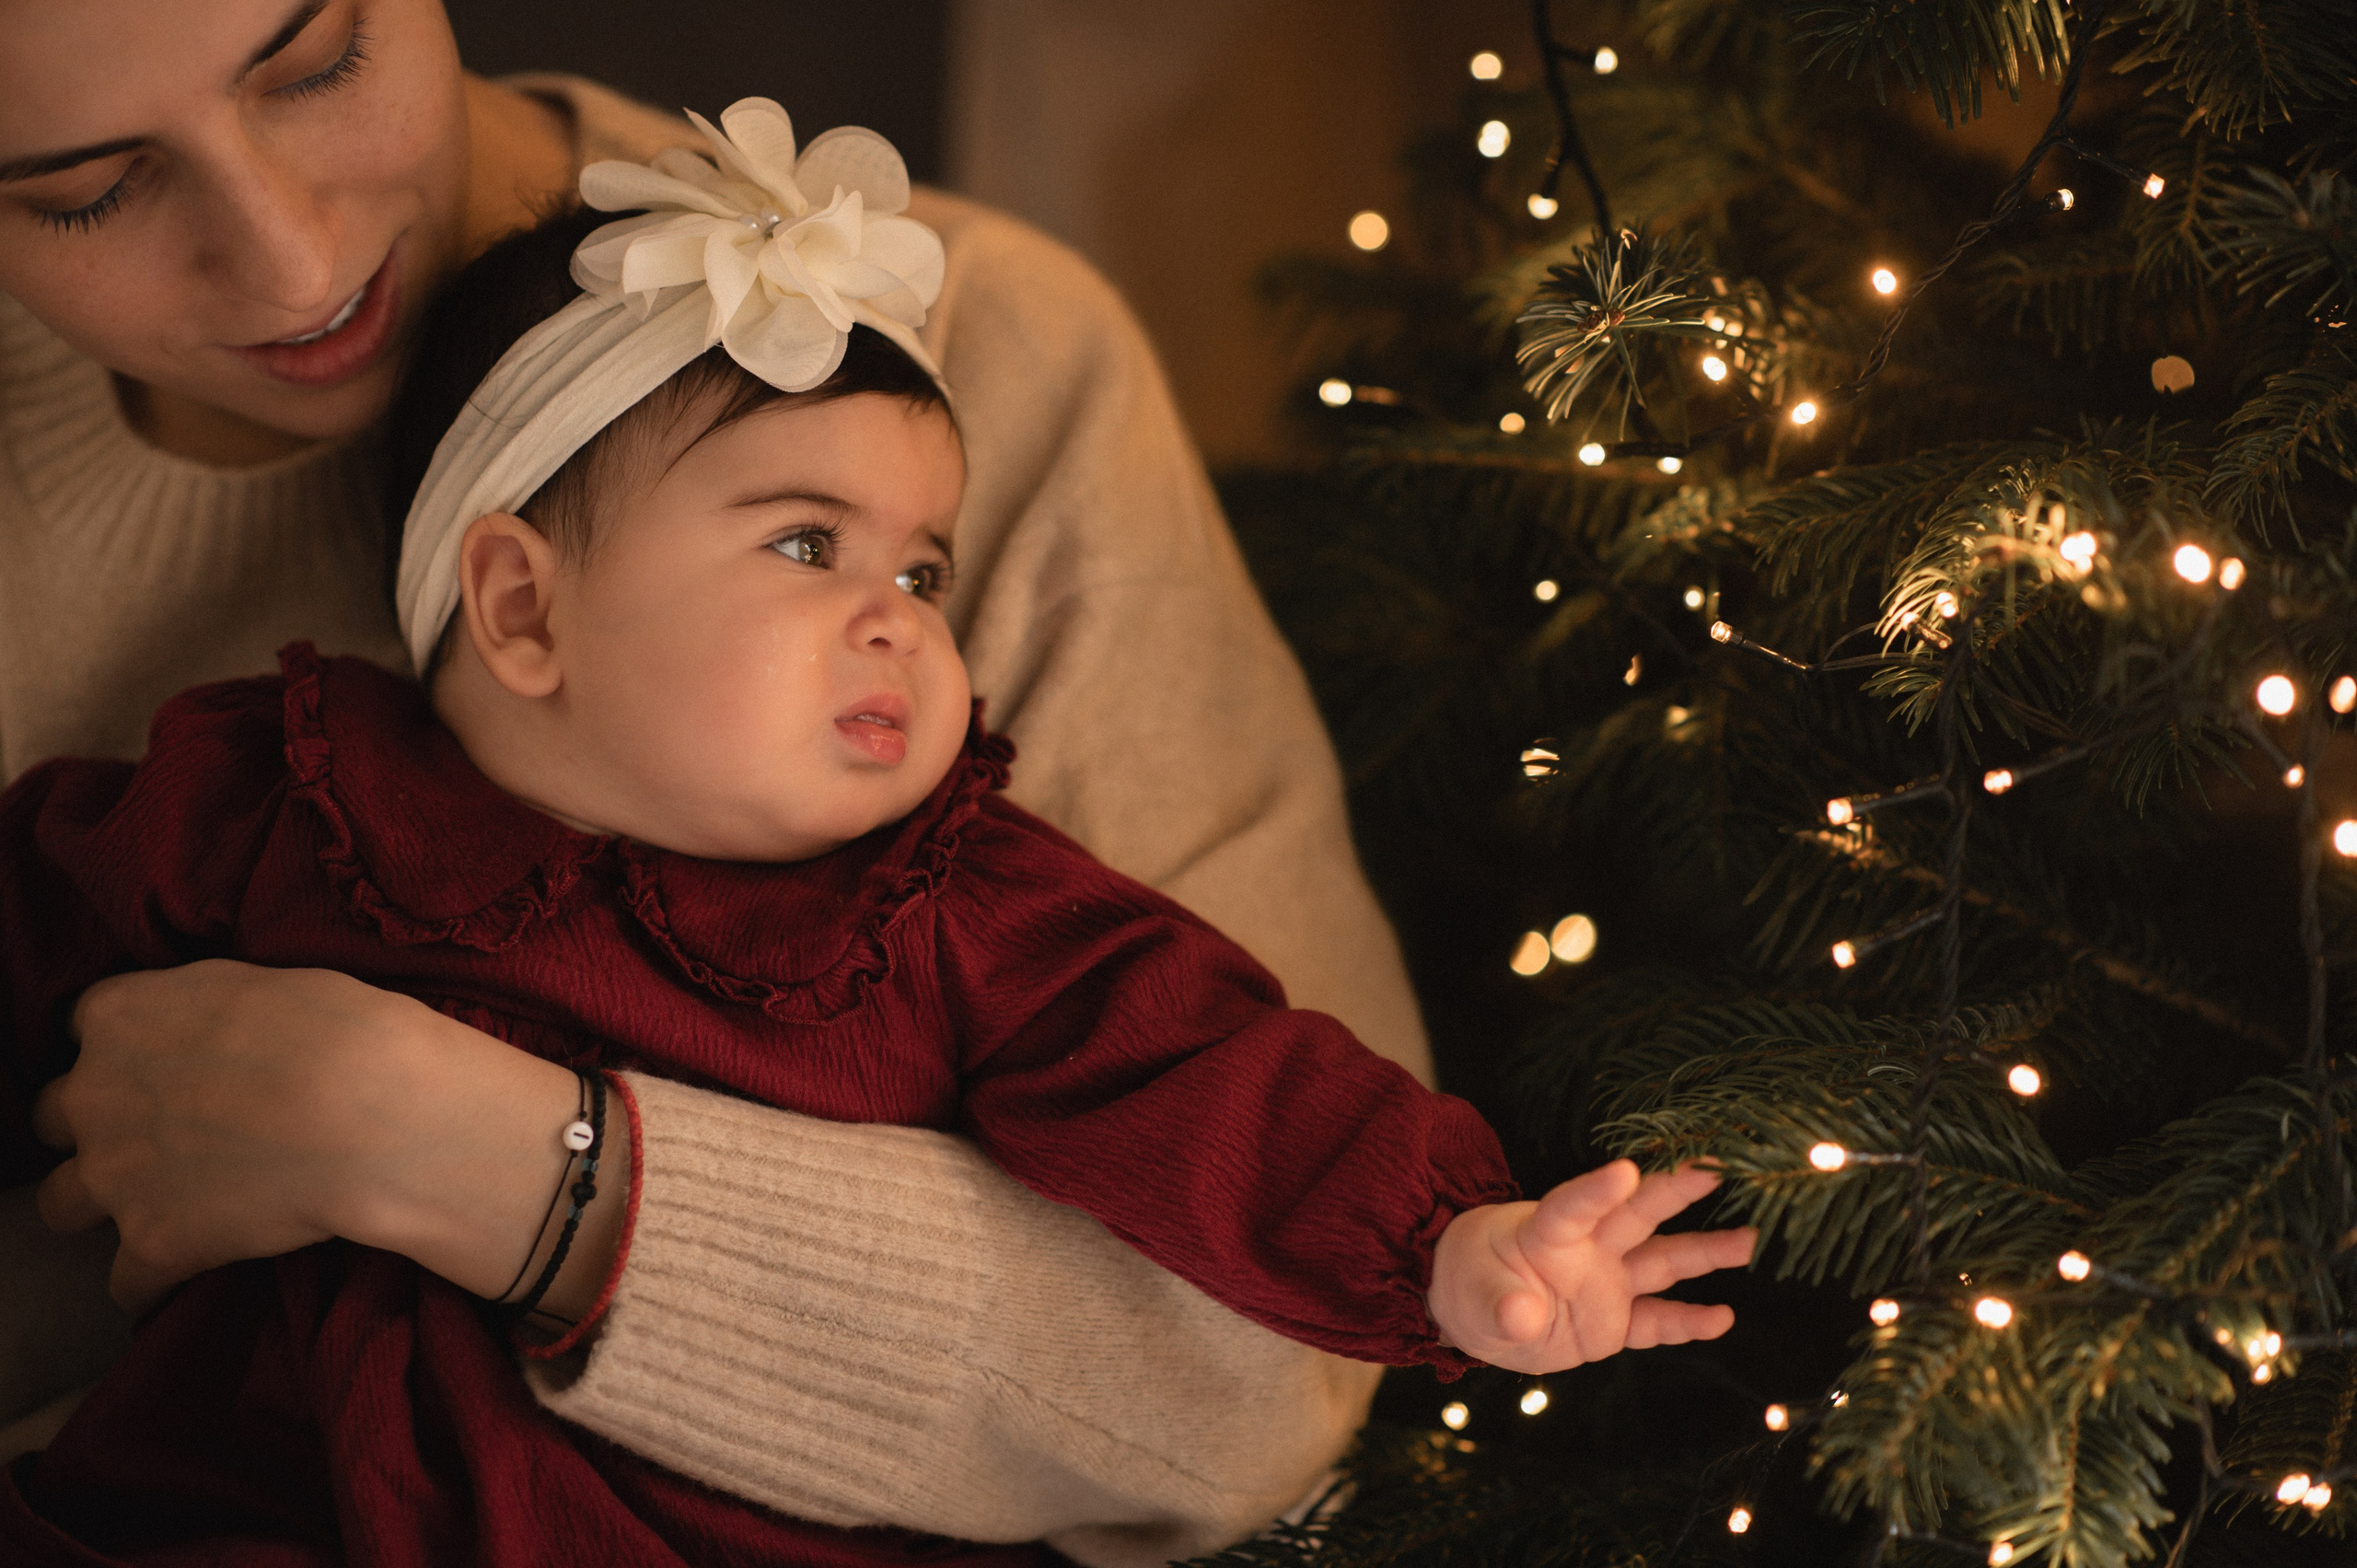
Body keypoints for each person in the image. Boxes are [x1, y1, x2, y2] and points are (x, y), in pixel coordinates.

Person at [0, 131, 1757, 1561]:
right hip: (234, 1506)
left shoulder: (955, 909)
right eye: (804, 548)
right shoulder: (281, 792)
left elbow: (1218, 1076)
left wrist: (1448, 1242)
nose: (900, 621)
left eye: (923, 571)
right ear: (522, 607)